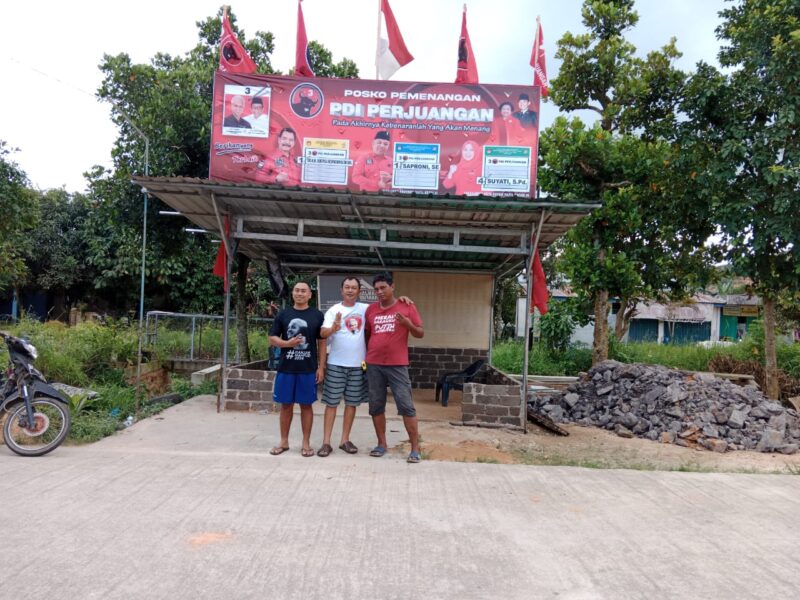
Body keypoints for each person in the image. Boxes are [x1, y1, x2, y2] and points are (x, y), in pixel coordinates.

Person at [316, 277, 414, 458]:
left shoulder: (366, 309)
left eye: (354, 288)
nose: (350, 290)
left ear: (359, 291)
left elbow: (387, 303)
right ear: (341, 290)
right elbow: (322, 334)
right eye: (347, 287)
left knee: (352, 404)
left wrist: (403, 298)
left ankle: (345, 440)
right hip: (336, 364)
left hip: (358, 365)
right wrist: (333, 328)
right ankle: (326, 442)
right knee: (331, 404)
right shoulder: (333, 310)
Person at [364, 272, 425, 463]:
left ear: (393, 287)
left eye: (383, 288)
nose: (380, 292)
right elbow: (367, 334)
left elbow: (420, 333)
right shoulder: (371, 310)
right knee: (376, 405)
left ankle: (415, 449)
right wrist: (370, 355)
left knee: (406, 406)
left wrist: (407, 324)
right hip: (374, 364)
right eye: (376, 289)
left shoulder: (406, 306)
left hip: (397, 365)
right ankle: (382, 444)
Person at [268, 281, 326, 457]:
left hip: (308, 369)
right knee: (286, 406)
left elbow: (322, 343)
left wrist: (321, 368)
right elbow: (272, 338)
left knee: (306, 406)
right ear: (293, 293)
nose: (300, 293)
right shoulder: (283, 314)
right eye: (297, 290)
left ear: (310, 295)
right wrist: (287, 343)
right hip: (286, 369)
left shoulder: (317, 315)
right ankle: (284, 442)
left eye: (303, 291)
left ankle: (306, 444)